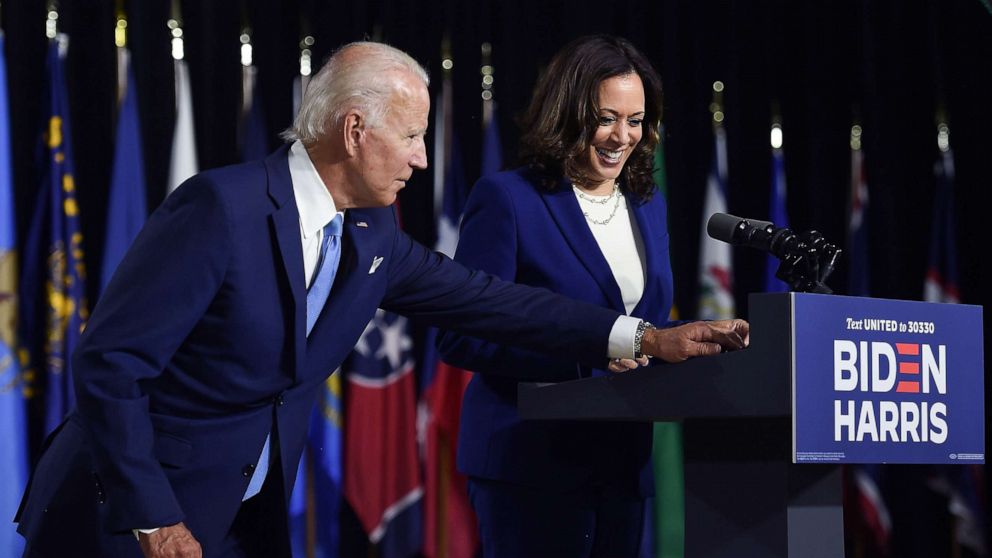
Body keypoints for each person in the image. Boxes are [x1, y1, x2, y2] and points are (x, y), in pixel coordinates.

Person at [15, 41, 747, 558]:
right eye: (413, 136)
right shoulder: (220, 208)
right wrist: (154, 519)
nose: (424, 159)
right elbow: (111, 367)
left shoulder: (372, 234)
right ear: (355, 129)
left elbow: (492, 302)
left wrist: (646, 339)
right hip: (127, 519)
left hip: (241, 520)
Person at [438, 35, 746, 557]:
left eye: (635, 120)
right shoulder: (509, 199)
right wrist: (593, 355)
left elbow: (644, 325)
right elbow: (462, 335)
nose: (621, 136)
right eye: (606, 117)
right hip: (529, 465)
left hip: (621, 466)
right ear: (568, 112)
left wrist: (692, 343)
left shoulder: (646, 205)